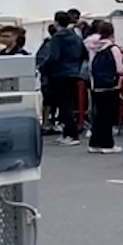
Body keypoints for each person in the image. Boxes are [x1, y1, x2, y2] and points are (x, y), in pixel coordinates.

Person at [39, 10, 87, 147]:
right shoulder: (76, 37)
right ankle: (68, 133)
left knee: (63, 104)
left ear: (56, 22)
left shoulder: (57, 38)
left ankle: (71, 134)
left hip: (60, 73)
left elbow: (53, 57)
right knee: (69, 103)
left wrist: (43, 67)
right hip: (73, 73)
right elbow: (83, 53)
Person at [84, 20, 123, 152]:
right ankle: (107, 144)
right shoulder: (113, 48)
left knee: (98, 114)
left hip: (96, 84)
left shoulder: (94, 47)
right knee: (108, 114)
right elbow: (120, 68)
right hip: (111, 85)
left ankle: (94, 142)